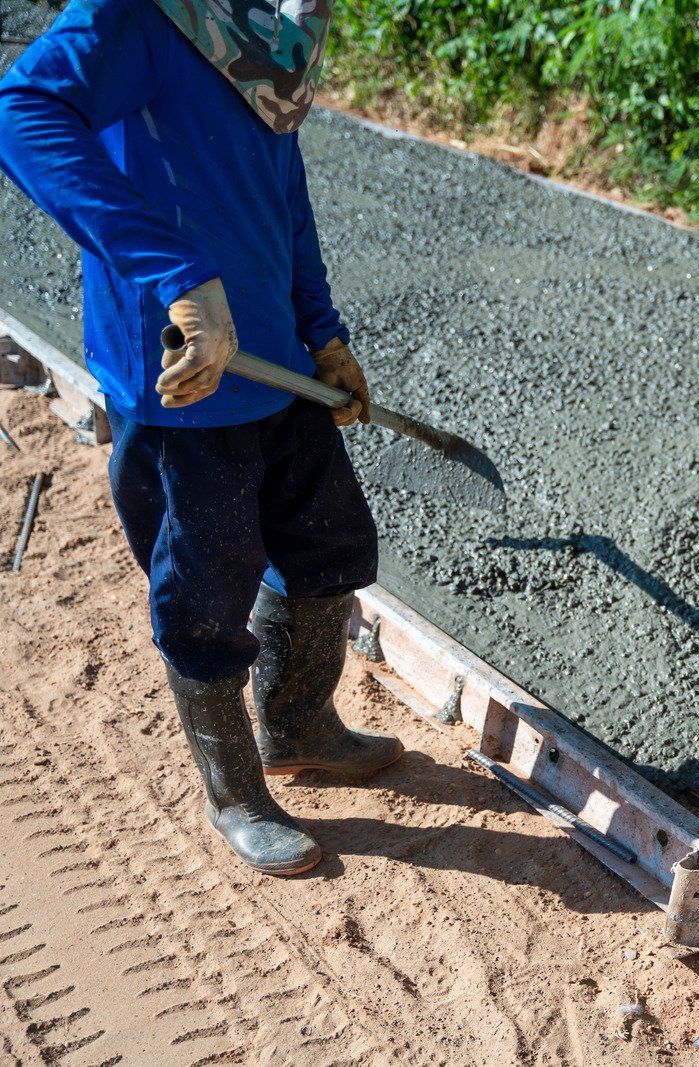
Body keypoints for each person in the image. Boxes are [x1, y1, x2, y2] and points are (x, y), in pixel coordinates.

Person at [0, 0, 401, 875]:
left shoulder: (264, 35)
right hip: (187, 375)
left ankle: (298, 723)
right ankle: (236, 793)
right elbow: (20, 114)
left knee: (331, 545)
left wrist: (321, 329)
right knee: (206, 589)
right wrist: (176, 274)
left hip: (278, 362)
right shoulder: (135, 18)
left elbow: (280, 190)